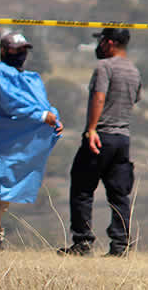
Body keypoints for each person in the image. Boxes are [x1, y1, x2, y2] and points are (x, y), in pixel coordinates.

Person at [0, 31, 63, 253]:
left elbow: (39, 103)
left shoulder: (28, 77)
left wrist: (52, 117)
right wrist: (42, 117)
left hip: (13, 148)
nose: (21, 54)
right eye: (16, 50)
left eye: (23, 50)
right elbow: (13, 103)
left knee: (3, 198)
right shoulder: (0, 75)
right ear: (3, 51)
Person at [59, 28, 142, 257]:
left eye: (102, 40)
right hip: (122, 138)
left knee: (82, 188)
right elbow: (134, 100)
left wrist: (92, 129)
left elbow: (99, 96)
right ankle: (120, 245)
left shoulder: (104, 67)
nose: (99, 45)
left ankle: (83, 242)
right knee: (118, 193)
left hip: (101, 136)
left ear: (111, 43)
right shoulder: (134, 71)